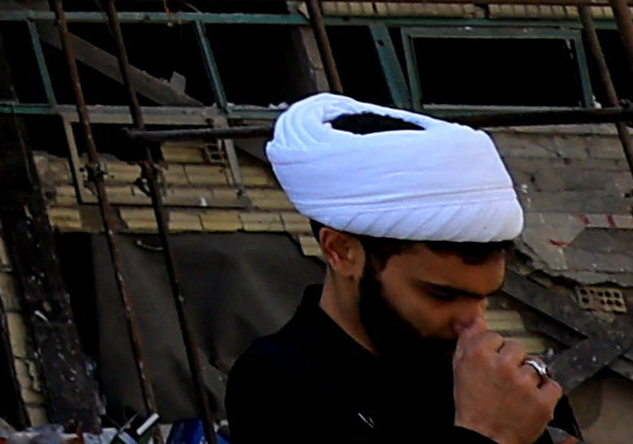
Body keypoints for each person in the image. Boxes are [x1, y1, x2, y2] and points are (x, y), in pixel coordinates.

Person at [222, 91, 569, 441]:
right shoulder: (276, 381)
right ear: (341, 251)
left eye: (483, 297)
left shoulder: (485, 378)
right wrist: (489, 434)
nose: (473, 323)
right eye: (441, 295)